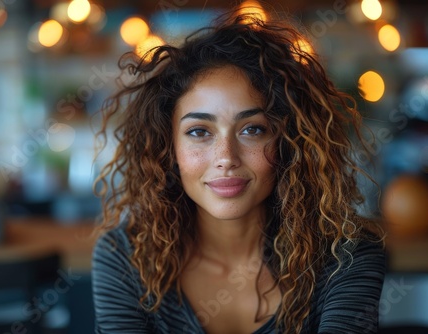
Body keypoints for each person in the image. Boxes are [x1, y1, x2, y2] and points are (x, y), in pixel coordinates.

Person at [92, 5, 386, 334]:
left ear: (288, 141)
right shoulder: (126, 257)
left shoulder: (345, 257)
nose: (226, 157)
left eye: (252, 129)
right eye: (199, 132)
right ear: (168, 147)